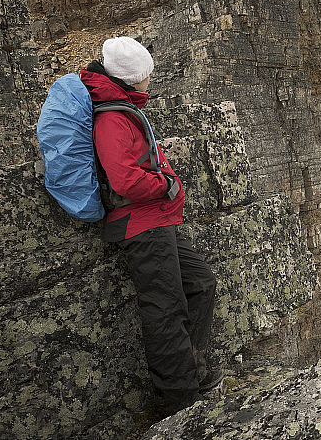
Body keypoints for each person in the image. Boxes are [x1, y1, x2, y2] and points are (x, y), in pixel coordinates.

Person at [81, 36, 220, 416]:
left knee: (201, 282)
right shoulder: (111, 118)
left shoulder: (121, 107)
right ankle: (178, 403)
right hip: (141, 224)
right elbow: (124, 180)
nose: (149, 81)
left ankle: (193, 369)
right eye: (146, 76)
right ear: (131, 79)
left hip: (158, 220)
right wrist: (166, 184)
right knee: (165, 311)